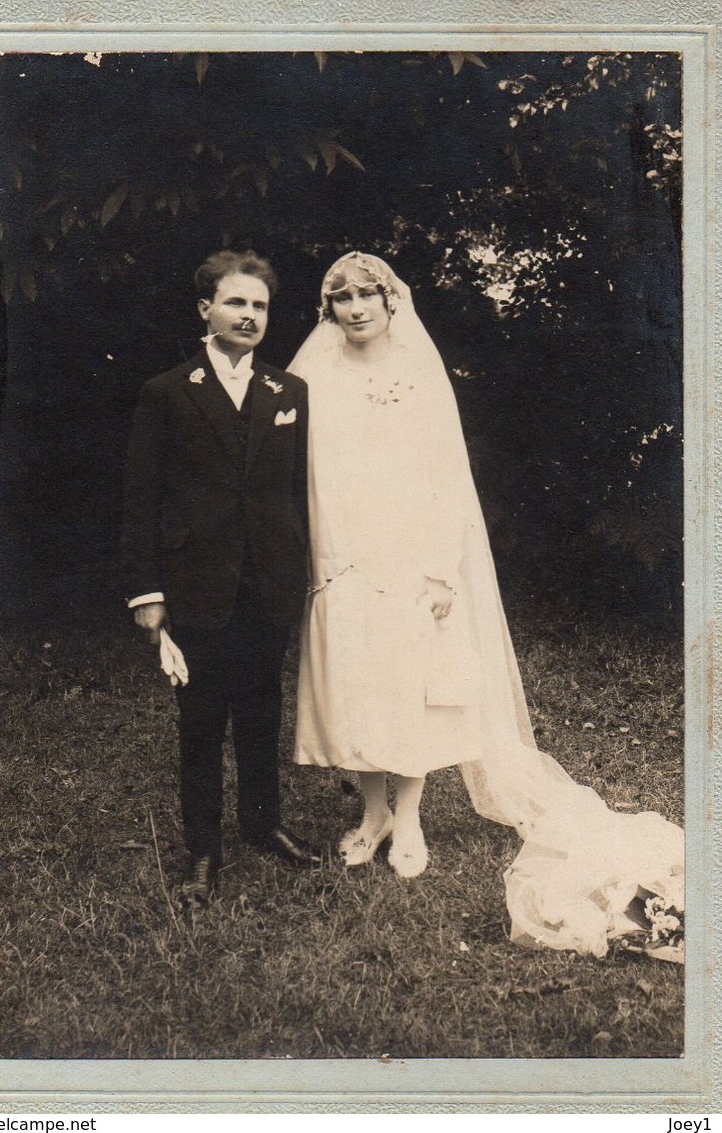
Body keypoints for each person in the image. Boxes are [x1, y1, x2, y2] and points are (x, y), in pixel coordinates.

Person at [289, 251, 683, 957]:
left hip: (410, 551)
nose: (353, 307)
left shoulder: (417, 372)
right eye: (339, 297)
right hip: (341, 551)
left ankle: (408, 817)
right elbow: (296, 468)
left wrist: (440, 570)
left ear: (388, 301)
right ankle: (371, 811)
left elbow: (445, 476)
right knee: (357, 681)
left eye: (365, 295)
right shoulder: (312, 372)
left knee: (412, 687)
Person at [122, 249, 321, 906]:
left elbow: (293, 492)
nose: (249, 315)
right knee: (202, 720)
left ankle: (264, 824)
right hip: (197, 580)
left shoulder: (287, 393)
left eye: (259, 305)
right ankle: (203, 848)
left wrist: (299, 568)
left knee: (263, 710)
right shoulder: (168, 391)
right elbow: (141, 497)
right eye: (236, 302)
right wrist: (148, 594)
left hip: (268, 579)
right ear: (205, 309)